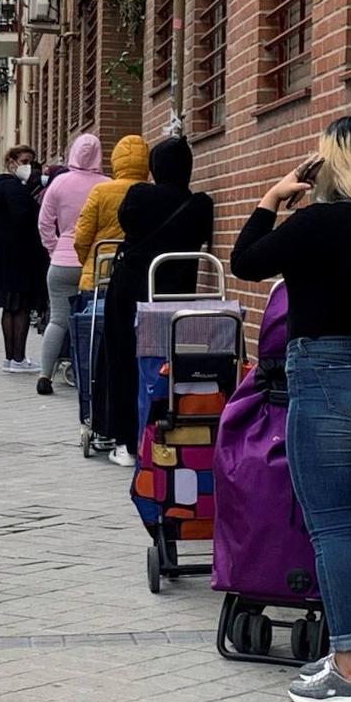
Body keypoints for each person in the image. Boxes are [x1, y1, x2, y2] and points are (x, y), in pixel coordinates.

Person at [230, 116, 351, 702]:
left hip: (327, 381)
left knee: (332, 528)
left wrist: (271, 197)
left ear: (331, 163)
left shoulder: (314, 223)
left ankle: (349, 670)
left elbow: (246, 262)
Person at [102, 137, 213, 467]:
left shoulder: (139, 195)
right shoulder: (200, 204)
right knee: (169, 366)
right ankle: (169, 434)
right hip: (176, 296)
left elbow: (126, 222)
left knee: (123, 361)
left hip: (130, 289)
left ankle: (127, 440)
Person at [36, 134, 108, 395]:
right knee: (95, 322)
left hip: (62, 261)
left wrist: (55, 249)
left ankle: (45, 374)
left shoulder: (59, 183)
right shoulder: (107, 185)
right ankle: (89, 376)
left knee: (57, 320)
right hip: (97, 262)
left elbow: (44, 223)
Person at [0, 145, 49, 373]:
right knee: (20, 308)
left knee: (11, 308)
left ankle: (12, 357)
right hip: (17, 257)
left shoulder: (1, 186)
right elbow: (24, 219)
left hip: (5, 256)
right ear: (12, 162)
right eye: (25, 161)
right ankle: (18, 358)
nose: (29, 167)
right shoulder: (14, 188)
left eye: (32, 162)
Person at [73, 135, 150, 291]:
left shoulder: (101, 191)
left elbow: (82, 235)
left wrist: (88, 260)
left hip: (101, 269)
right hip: (139, 271)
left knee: (97, 313)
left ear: (116, 160)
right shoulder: (151, 192)